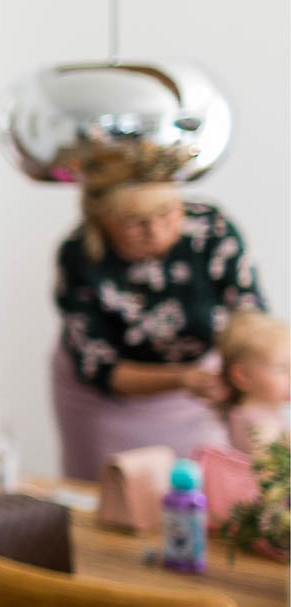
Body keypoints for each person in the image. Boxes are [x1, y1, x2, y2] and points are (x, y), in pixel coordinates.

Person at [51, 166, 266, 479]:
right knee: (114, 494)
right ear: (103, 218)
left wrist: (248, 374)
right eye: (136, 223)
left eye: (167, 214)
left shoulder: (211, 228)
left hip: (199, 392)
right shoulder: (79, 256)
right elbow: (99, 367)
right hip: (107, 404)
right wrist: (181, 379)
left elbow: (248, 313)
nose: (156, 231)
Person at [219, 312, 289, 453]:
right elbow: (271, 465)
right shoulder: (253, 422)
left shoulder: (262, 413)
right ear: (243, 376)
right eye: (281, 368)